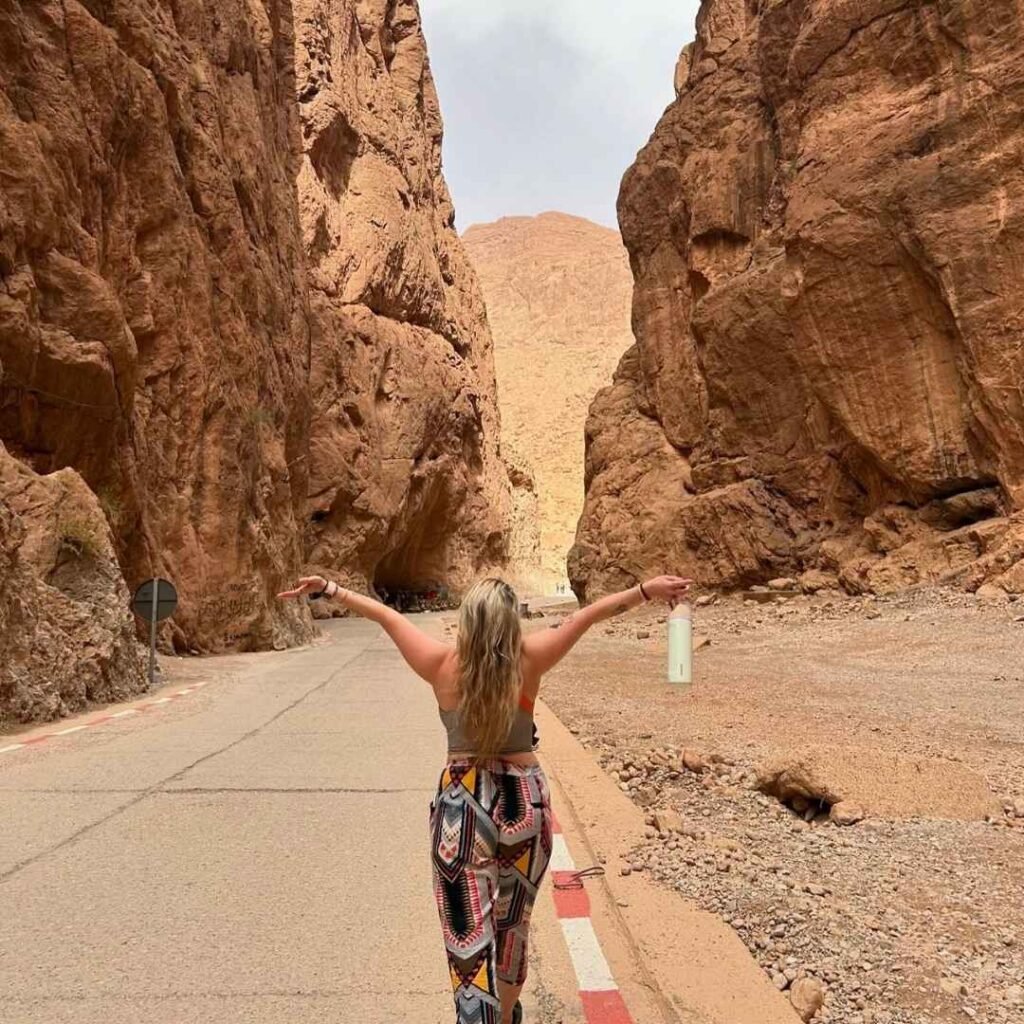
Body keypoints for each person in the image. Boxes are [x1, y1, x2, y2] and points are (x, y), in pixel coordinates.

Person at [277, 572, 693, 1024]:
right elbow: (589, 615)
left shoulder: (439, 663)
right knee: (512, 926)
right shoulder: (531, 657)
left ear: (467, 622)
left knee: (467, 935)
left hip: (463, 804)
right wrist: (647, 592)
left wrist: (331, 589)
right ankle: (508, 1014)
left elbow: (386, 616)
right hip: (523, 801)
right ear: (511, 623)